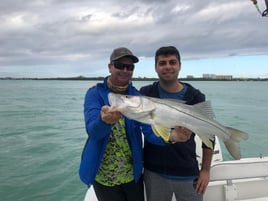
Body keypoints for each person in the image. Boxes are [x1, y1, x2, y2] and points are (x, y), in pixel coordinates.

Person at [79, 47, 184, 201]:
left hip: (132, 175)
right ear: (110, 67)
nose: (125, 70)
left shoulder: (137, 97)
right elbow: (93, 132)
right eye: (120, 65)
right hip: (104, 177)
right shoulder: (95, 93)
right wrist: (104, 122)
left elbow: (149, 131)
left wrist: (172, 136)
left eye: (130, 67)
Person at [140, 46, 215, 201]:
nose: (167, 66)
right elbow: (126, 97)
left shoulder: (196, 96)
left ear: (179, 65)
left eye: (172, 62)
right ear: (156, 68)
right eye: (162, 63)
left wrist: (206, 170)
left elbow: (210, 134)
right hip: (154, 172)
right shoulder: (146, 93)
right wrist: (103, 87)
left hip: (187, 170)